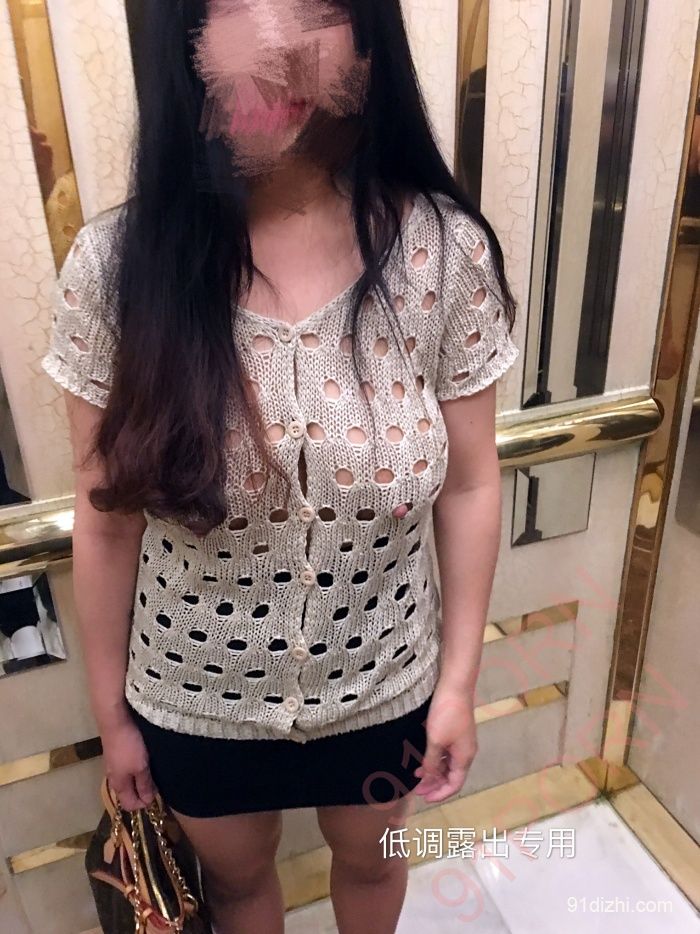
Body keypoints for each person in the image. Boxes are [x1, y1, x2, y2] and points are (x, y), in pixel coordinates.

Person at [41, 2, 520, 932]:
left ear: (368, 37)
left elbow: (470, 485)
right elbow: (105, 519)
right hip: (196, 694)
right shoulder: (117, 267)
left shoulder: (442, 252)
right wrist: (113, 718)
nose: (278, 42)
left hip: (385, 680)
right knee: (237, 888)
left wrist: (459, 684)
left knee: (373, 870)